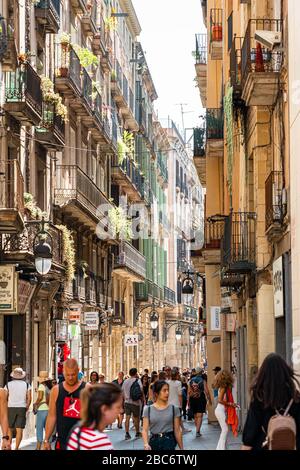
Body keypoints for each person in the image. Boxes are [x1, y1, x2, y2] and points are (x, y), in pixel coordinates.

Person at [242, 353, 300, 450]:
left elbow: (251, 431)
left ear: (263, 373)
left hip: (266, 445)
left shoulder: (260, 398)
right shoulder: (295, 397)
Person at [43, 358, 86, 450]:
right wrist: (46, 439)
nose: (70, 378)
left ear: (78, 371)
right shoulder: (56, 390)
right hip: (62, 442)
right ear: (63, 372)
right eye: (67, 375)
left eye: (73, 375)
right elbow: (51, 416)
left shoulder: (87, 389)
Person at [67, 383, 123, 450]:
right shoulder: (99, 441)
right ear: (104, 409)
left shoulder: (77, 431)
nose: (121, 411)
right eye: (118, 407)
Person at [142, 380, 183, 451]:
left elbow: (177, 430)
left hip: (169, 441)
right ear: (156, 393)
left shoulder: (174, 409)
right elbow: (145, 430)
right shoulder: (148, 409)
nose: (167, 393)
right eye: (164, 390)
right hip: (154, 442)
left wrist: (182, 448)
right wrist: (146, 444)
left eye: (168, 390)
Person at [5, 367, 31, 450]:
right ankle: (16, 448)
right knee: (19, 429)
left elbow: (5, 397)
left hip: (10, 407)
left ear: (13, 376)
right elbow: (29, 398)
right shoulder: (27, 385)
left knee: (9, 429)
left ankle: (9, 446)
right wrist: (26, 407)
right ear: (22, 376)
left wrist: (6, 407)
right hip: (22, 408)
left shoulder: (8, 385)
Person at [213, 369, 238, 450]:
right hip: (220, 410)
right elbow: (220, 400)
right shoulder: (223, 387)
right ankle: (220, 448)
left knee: (224, 430)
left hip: (221, 410)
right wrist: (230, 404)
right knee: (225, 430)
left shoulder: (224, 387)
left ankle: (222, 448)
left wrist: (232, 404)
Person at [188, 366, 212, 437]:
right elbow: (206, 391)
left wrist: (188, 401)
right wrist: (209, 399)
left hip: (193, 399)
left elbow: (189, 392)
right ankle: (197, 431)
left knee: (195, 415)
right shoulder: (203, 380)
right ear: (201, 372)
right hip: (200, 398)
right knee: (200, 415)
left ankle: (197, 429)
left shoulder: (191, 380)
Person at [122, 368, 144, 440]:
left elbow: (122, 392)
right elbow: (141, 390)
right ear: (136, 373)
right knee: (136, 418)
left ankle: (127, 434)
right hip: (135, 402)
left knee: (127, 418)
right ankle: (137, 433)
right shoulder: (138, 381)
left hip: (127, 402)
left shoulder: (125, 381)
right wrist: (143, 399)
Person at [33, 371, 52, 450]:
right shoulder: (48, 387)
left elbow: (40, 397)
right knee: (47, 429)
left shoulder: (41, 386)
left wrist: (35, 403)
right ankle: (48, 446)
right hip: (48, 409)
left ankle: (38, 447)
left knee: (39, 428)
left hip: (41, 409)